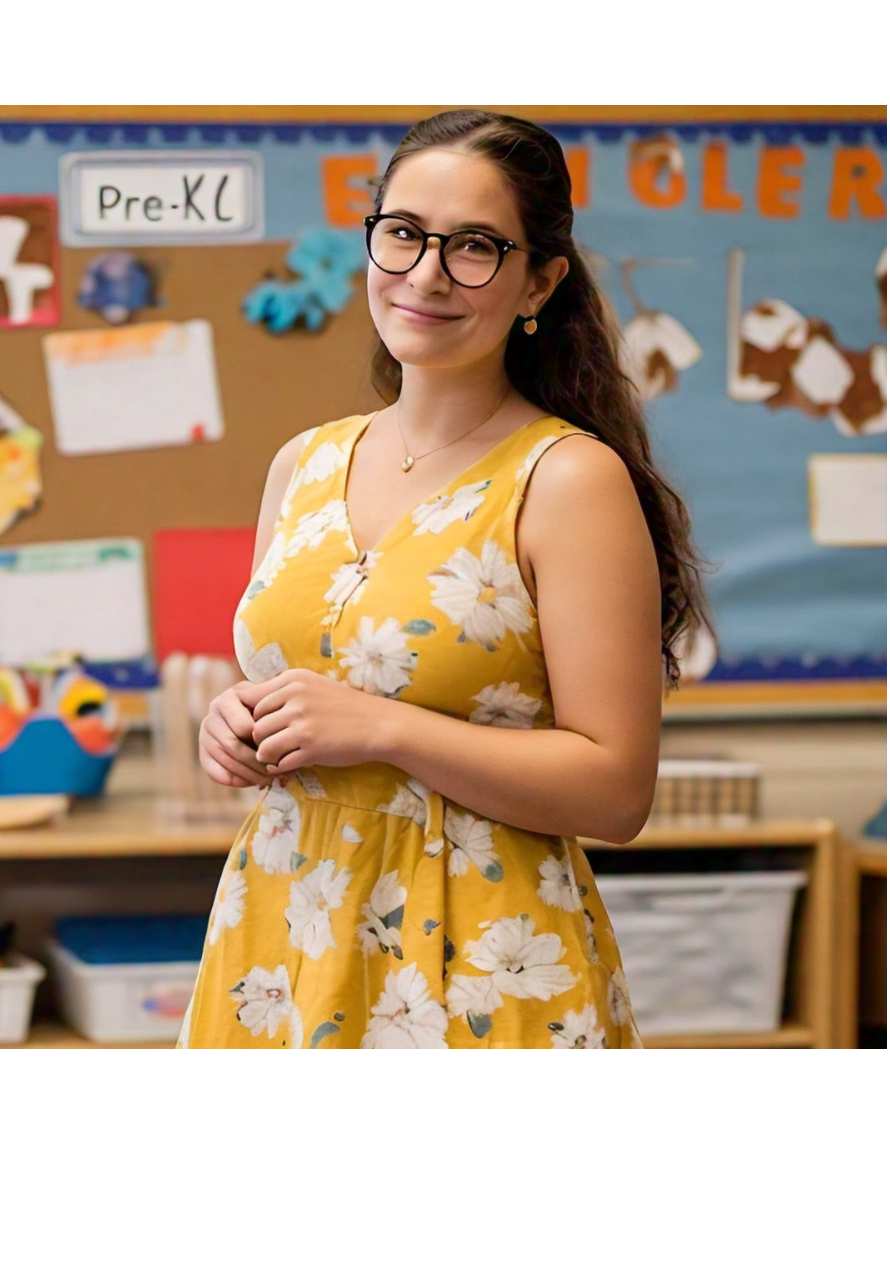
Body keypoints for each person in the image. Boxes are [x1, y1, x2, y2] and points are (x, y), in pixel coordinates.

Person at [177, 108, 712, 1049]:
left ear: (538, 280)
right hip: (285, 935)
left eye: (474, 246)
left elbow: (615, 790)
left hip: (479, 953)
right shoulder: (303, 463)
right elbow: (306, 689)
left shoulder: (567, 479)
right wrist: (240, 723)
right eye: (404, 233)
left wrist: (384, 728)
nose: (426, 273)